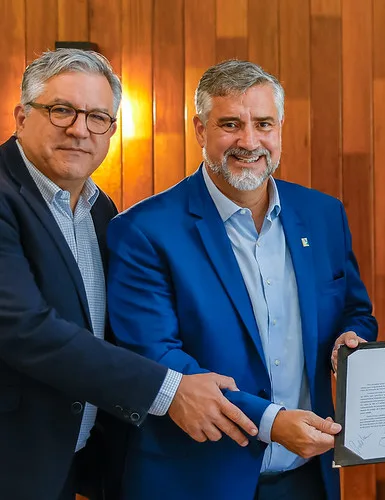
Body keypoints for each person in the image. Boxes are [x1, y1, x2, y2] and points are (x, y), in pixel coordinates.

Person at [106, 59, 378, 500]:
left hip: (307, 478)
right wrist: (271, 422)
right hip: (194, 480)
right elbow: (156, 356)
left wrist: (350, 340)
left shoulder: (324, 215)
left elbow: (355, 312)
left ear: (281, 127)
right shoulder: (143, 230)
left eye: (263, 124)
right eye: (230, 124)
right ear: (199, 130)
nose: (249, 141)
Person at [0, 49, 258, 500]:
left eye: (98, 117)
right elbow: (25, 329)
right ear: (22, 117)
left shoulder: (101, 210)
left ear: (112, 131)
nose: (80, 129)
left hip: (65, 465)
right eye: (62, 110)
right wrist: (170, 389)